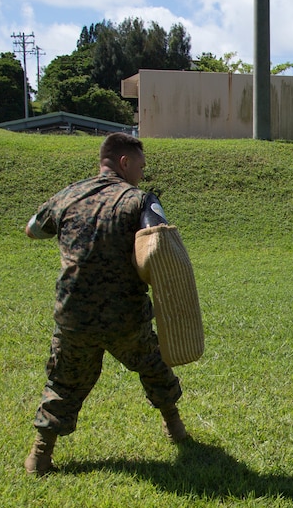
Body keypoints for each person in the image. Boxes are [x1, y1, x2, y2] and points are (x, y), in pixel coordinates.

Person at [24, 132, 188, 476]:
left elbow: (32, 230)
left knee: (63, 382)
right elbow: (159, 241)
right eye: (140, 167)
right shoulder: (139, 200)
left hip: (74, 315)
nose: (141, 175)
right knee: (154, 367)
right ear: (124, 162)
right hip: (125, 317)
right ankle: (175, 428)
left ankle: (39, 456)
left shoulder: (68, 194)